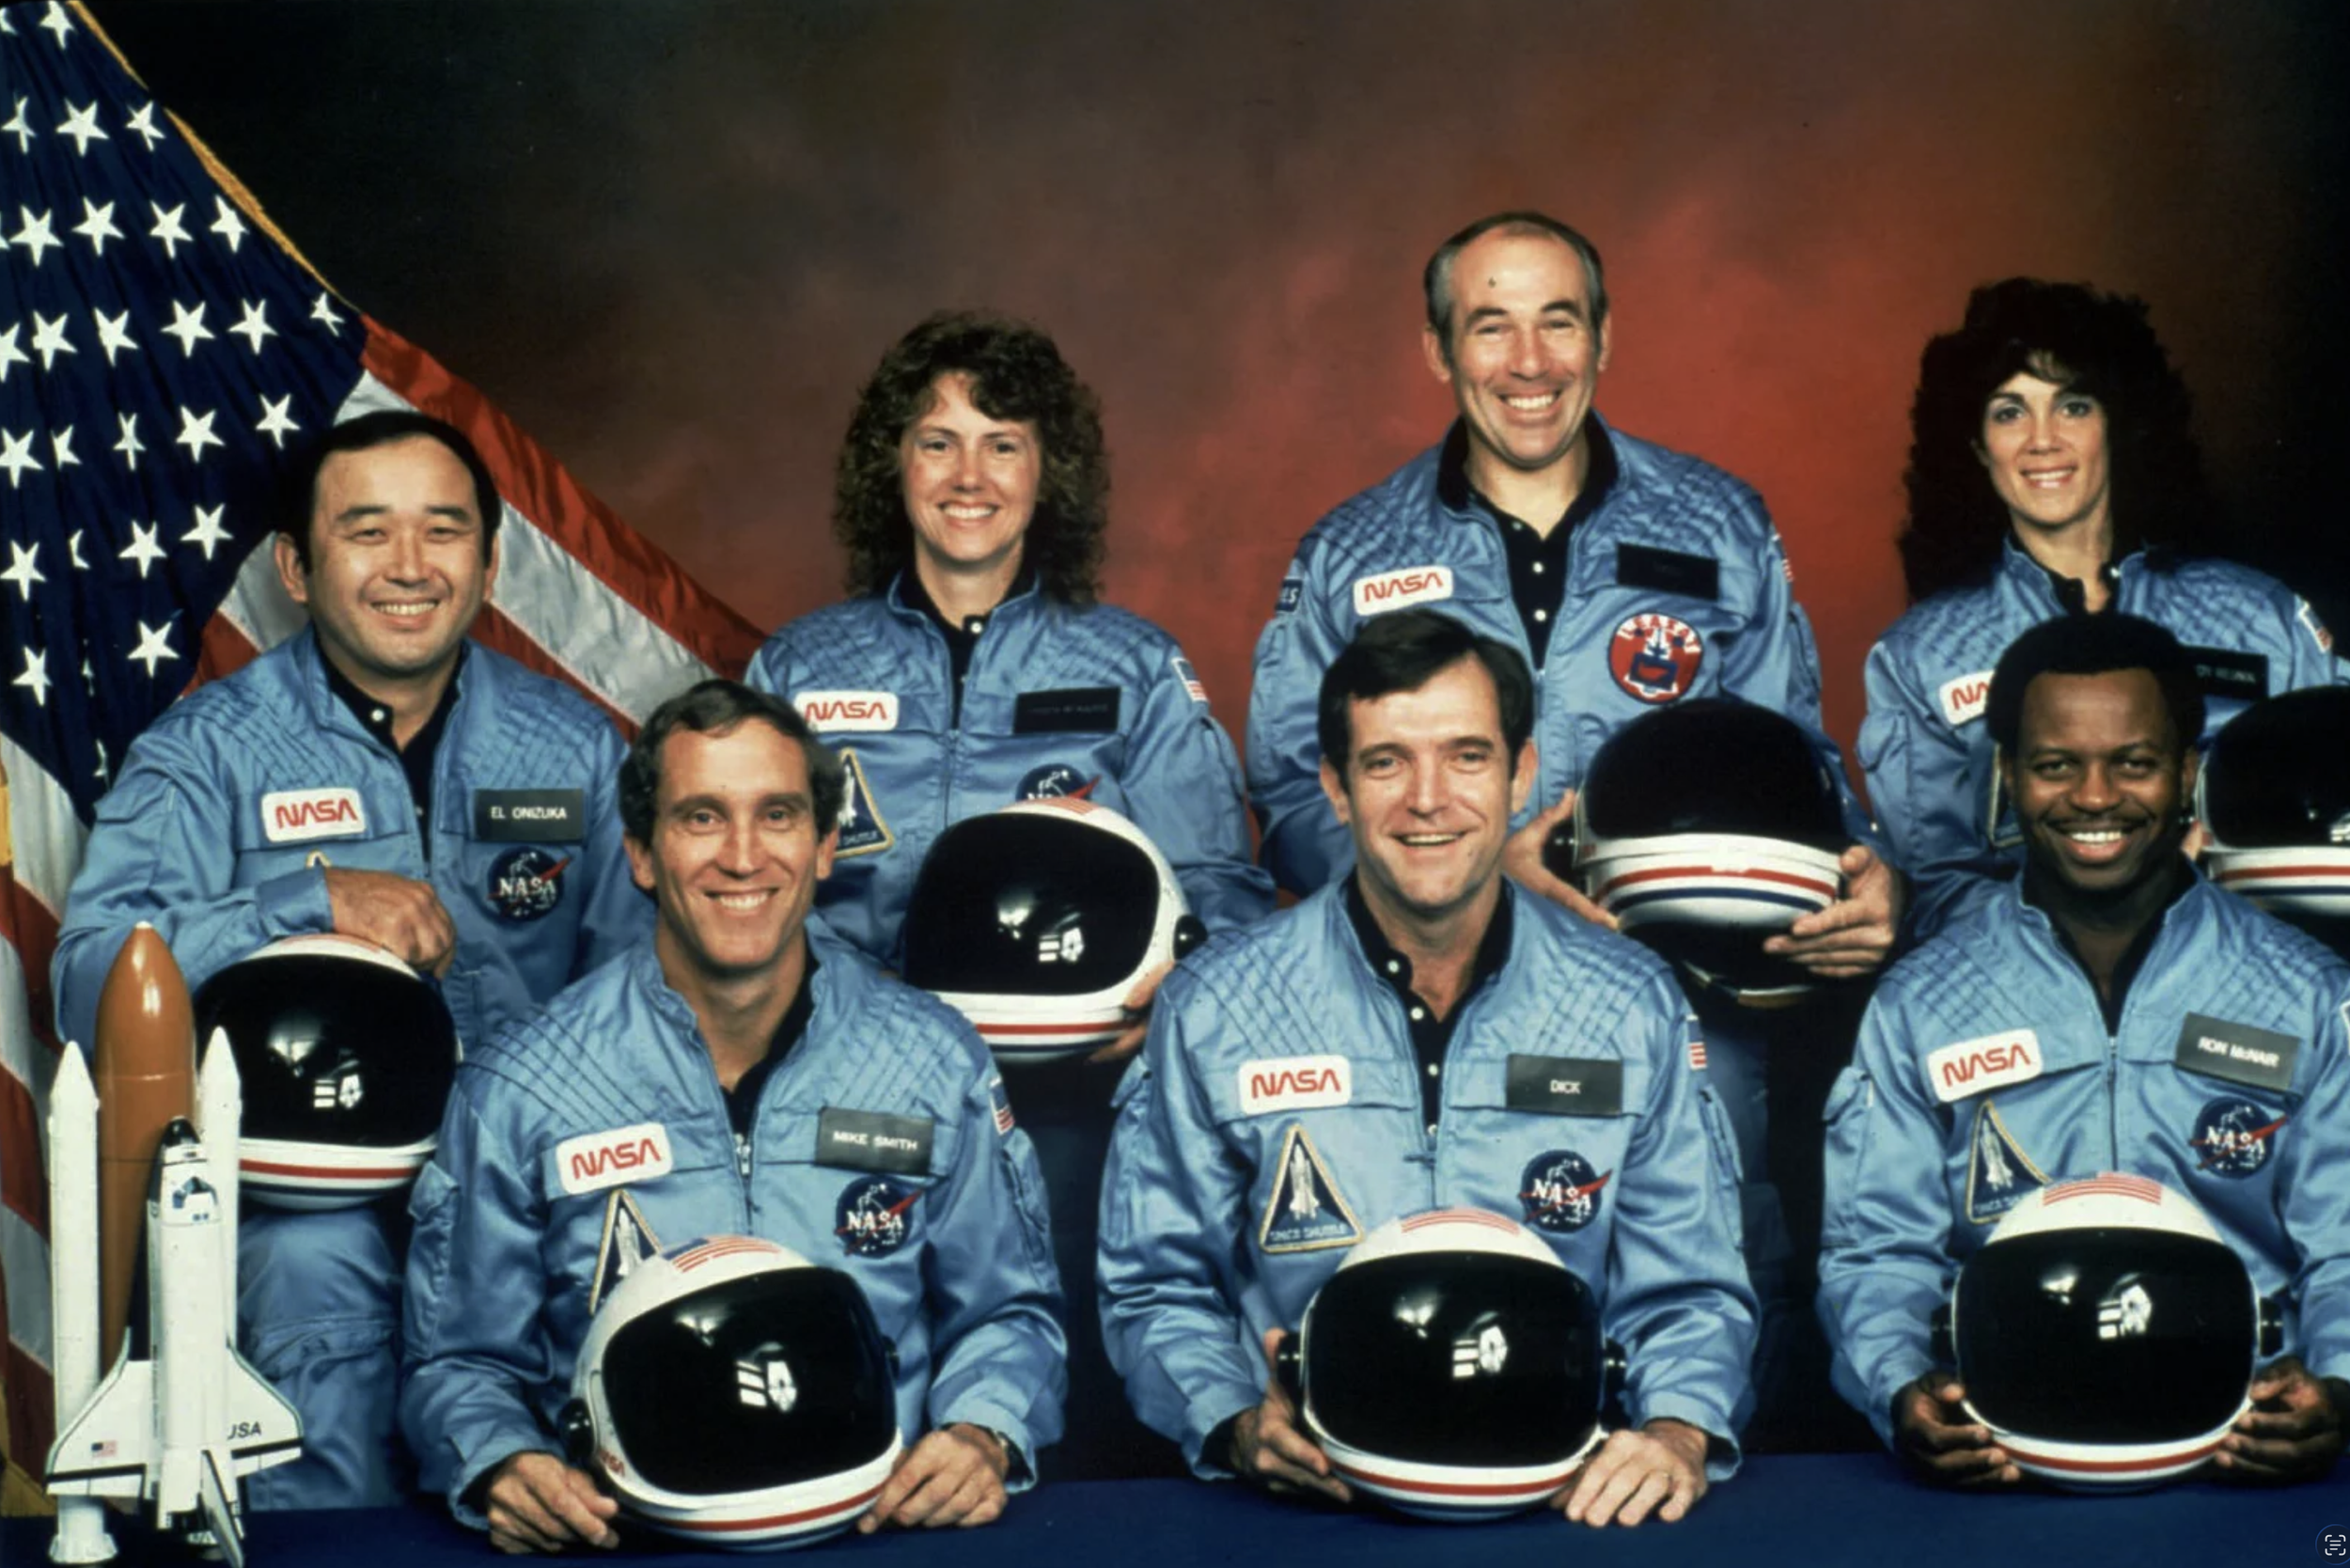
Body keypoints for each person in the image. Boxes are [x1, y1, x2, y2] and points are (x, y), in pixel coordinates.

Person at [1244, 211, 1898, 1429]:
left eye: (1559, 321)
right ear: (1439, 349)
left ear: (1605, 336)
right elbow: (1289, 792)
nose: (1530, 361)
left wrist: (1863, 877)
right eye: (1491, 326)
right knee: (1454, 1319)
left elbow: (1798, 764)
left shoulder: (1717, 524)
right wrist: (1469, 874)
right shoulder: (1350, 552)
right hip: (1427, 1002)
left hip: (1687, 1007)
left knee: (1704, 1316)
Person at [51, 410, 649, 1508]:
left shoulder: (568, 744)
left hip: (522, 1192)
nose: (410, 566)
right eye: (367, 532)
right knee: (308, 1268)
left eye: (443, 530)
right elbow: (90, 980)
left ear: (490, 562)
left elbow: (643, 994)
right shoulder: (208, 754)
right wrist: (307, 900)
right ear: (295, 568)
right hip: (306, 1207)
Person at [747, 311, 1271, 1476]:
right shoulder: (799, 669)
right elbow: (741, 883)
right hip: (859, 1099)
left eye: (1003, 444)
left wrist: (1165, 1003)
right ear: (892, 465)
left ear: (1049, 473)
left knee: (1087, 1421)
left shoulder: (1131, 665)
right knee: (871, 1419)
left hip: (1078, 1111)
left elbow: (1222, 892)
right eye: (936, 442)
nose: (968, 476)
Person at [1102, 610, 1756, 1529]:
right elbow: (1155, 1284)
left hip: (1567, 1505)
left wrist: (1678, 1430)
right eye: (1385, 763)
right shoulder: (1219, 1006)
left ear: (1521, 775)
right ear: (1335, 788)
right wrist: (1235, 1420)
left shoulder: (1627, 1003)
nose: (1427, 799)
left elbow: (1691, 1289)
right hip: (1311, 1509)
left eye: (1466, 757)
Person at [400, 681, 1065, 1553]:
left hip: (879, 1532)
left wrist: (984, 1429)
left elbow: (1012, 1313)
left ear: (825, 846)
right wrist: (499, 1458)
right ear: (641, 854)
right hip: (631, 1542)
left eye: (777, 815)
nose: (743, 858)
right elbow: (457, 1361)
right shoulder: (525, 1083)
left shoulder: (933, 1062)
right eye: (702, 818)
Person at [1820, 613, 2350, 1485]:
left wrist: (2337, 1384)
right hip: (2006, 1452)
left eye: (2133, 763)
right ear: (2006, 775)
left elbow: (2344, 1245)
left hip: (2240, 1448)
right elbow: (1878, 1252)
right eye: (2056, 765)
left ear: (2188, 773)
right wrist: (1899, 1387)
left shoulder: (2307, 994)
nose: (2095, 798)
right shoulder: (1922, 1003)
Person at [1861, 278, 2345, 943]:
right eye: (2009, 412)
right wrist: (2102, 916)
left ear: (2116, 422)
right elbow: (1936, 891)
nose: (2042, 440)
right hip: (2032, 989)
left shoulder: (2260, 617)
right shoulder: (1921, 654)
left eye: (2073, 406)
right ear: (1975, 445)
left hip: (2252, 967)